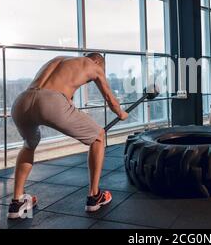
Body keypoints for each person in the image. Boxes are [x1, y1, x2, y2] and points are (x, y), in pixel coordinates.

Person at [7, 53, 128, 219]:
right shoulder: (93, 65)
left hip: (22, 101)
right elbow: (110, 98)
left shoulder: (58, 60)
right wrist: (121, 113)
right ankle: (94, 197)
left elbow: (63, 97)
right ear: (98, 62)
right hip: (50, 102)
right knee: (99, 136)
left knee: (29, 144)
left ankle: (17, 201)